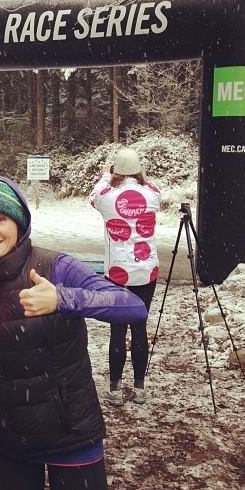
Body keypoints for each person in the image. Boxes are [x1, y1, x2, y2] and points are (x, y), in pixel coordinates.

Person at [0, 174, 148, 490]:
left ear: (19, 223)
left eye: (1, 219)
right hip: (7, 435)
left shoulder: (54, 266)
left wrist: (64, 298)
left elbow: (132, 307)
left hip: (70, 431)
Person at [89, 147, 161, 406]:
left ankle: (116, 389)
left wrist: (106, 176)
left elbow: (94, 196)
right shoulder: (153, 194)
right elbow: (152, 187)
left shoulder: (107, 197)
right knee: (140, 329)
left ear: (116, 170)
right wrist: (140, 176)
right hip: (147, 272)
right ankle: (140, 389)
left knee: (117, 332)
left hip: (118, 274)